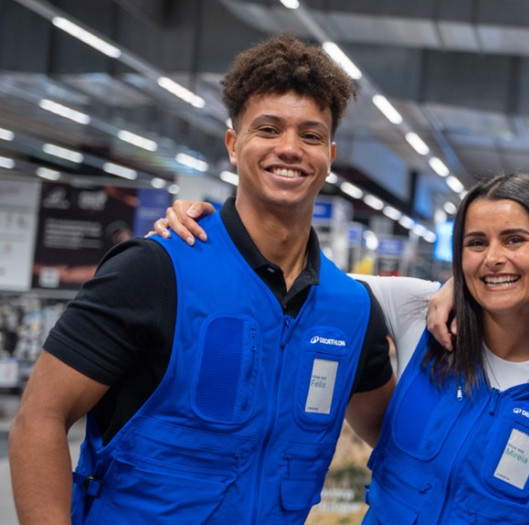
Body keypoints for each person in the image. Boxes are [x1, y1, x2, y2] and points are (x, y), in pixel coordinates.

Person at [9, 33, 394, 524]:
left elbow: (391, 434)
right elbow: (38, 420)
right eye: (269, 129)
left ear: (330, 155)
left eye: (311, 135)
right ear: (234, 145)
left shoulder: (350, 308)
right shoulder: (155, 270)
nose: (290, 148)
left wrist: (453, 295)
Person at [159, 173, 529, 523]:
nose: (493, 257)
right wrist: (208, 239)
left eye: (514, 240)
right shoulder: (416, 310)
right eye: (476, 243)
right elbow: (295, 281)